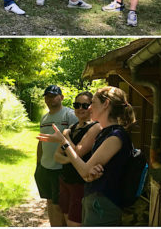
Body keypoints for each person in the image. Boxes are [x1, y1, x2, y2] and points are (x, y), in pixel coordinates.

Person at [39, 86, 136, 226]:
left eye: (93, 103)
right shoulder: (105, 133)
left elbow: (84, 172)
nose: (89, 108)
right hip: (95, 201)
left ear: (106, 104)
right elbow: (87, 171)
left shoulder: (115, 137)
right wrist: (89, 170)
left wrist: (64, 141)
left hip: (104, 205)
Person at [54, 92, 102, 227]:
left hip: (80, 183)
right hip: (65, 179)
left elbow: (77, 153)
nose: (80, 108)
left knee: (75, 222)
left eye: (85, 105)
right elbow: (57, 156)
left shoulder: (95, 127)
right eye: (77, 105)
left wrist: (65, 138)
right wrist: (71, 160)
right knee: (66, 217)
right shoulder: (72, 128)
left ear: (92, 107)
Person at [35, 85, 78, 226]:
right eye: (47, 96)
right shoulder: (44, 118)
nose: (50, 99)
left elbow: (77, 139)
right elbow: (41, 142)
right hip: (45, 167)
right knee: (49, 202)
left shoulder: (70, 115)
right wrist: (38, 164)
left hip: (62, 168)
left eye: (54, 96)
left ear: (61, 97)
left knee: (60, 205)